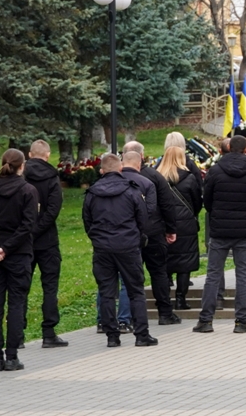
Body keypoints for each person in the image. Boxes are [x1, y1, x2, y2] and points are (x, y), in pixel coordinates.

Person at [82, 153, 156, 349]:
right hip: (128, 246)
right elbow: (143, 219)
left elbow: (87, 221)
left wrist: (97, 239)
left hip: (102, 248)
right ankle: (142, 335)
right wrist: (136, 239)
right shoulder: (132, 191)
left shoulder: (92, 193)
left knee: (106, 292)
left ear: (101, 171)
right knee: (135, 291)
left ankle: (111, 336)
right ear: (121, 168)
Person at [0, 149, 38, 371]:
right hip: (18, 255)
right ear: (22, 166)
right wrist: (7, 248)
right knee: (16, 303)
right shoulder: (28, 191)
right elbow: (27, 225)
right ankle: (12, 356)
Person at [196, 135, 246, 334]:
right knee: (243, 274)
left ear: (226, 148)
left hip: (219, 229)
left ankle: (206, 320)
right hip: (245, 230)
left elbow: (207, 201)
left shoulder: (215, 171)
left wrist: (217, 214)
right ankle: (242, 321)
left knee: (213, 275)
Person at [122, 143, 180, 326]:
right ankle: (165, 312)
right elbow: (167, 204)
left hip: (127, 233)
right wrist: (171, 229)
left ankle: (129, 315)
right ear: (142, 156)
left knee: (129, 275)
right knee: (158, 272)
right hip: (153, 232)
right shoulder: (154, 177)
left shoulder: (117, 177)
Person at [24, 140, 66, 348]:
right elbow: (54, 208)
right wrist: (40, 228)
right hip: (47, 240)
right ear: (48, 155)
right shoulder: (52, 177)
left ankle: (18, 333)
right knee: (50, 286)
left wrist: (27, 231)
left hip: (23, 242)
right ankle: (49, 332)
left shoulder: (21, 175)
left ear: (30, 154)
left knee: (20, 287)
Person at [158, 146, 203, 310]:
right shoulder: (189, 178)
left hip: (162, 225)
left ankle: (163, 299)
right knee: (185, 263)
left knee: (164, 263)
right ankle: (180, 299)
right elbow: (198, 202)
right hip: (186, 225)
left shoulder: (157, 178)